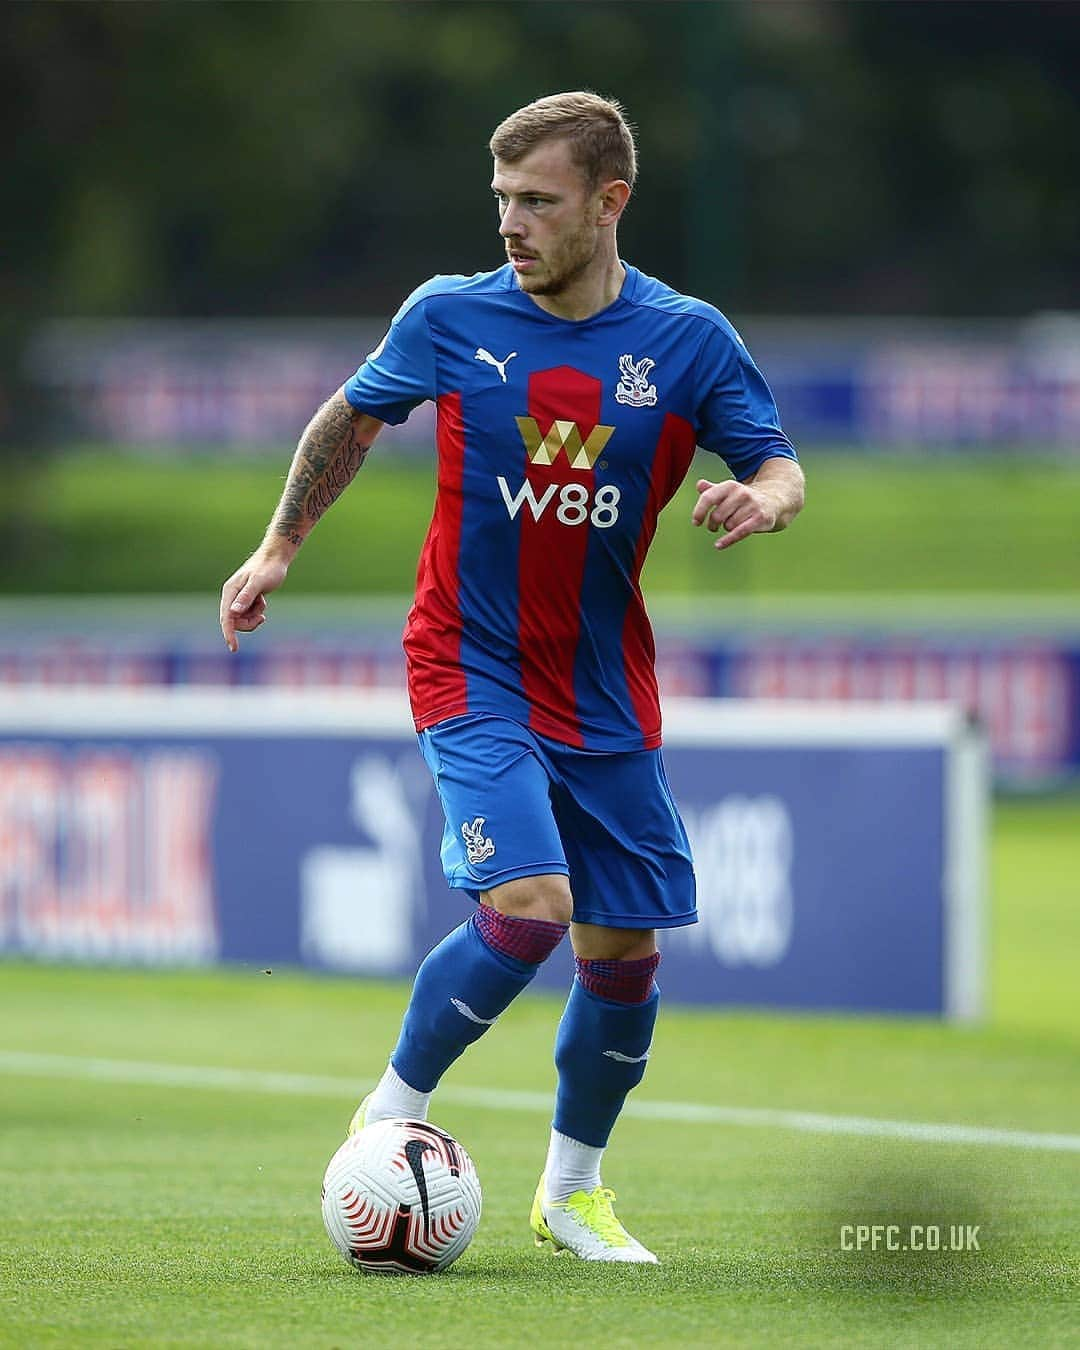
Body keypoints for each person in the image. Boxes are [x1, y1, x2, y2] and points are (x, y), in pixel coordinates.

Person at [220, 91, 804, 1264]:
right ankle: (389, 1113)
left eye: (538, 201)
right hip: (468, 659)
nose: (512, 224)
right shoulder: (449, 315)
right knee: (531, 901)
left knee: (625, 950)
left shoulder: (687, 339)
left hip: (600, 686)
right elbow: (351, 416)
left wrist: (765, 499)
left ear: (609, 202)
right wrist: (280, 543)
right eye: (501, 201)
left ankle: (571, 1194)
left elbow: (779, 461)